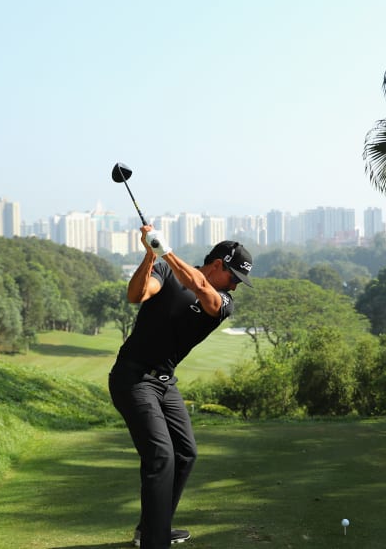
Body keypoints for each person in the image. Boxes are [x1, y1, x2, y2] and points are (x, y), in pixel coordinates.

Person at [109, 225, 252, 548]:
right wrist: (150, 256)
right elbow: (137, 294)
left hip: (164, 382)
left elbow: (200, 287)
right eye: (234, 278)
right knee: (161, 456)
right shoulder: (164, 270)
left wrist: (165, 250)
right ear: (219, 265)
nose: (236, 287)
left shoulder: (223, 300)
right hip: (132, 378)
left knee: (185, 453)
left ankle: (152, 527)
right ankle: (154, 541)